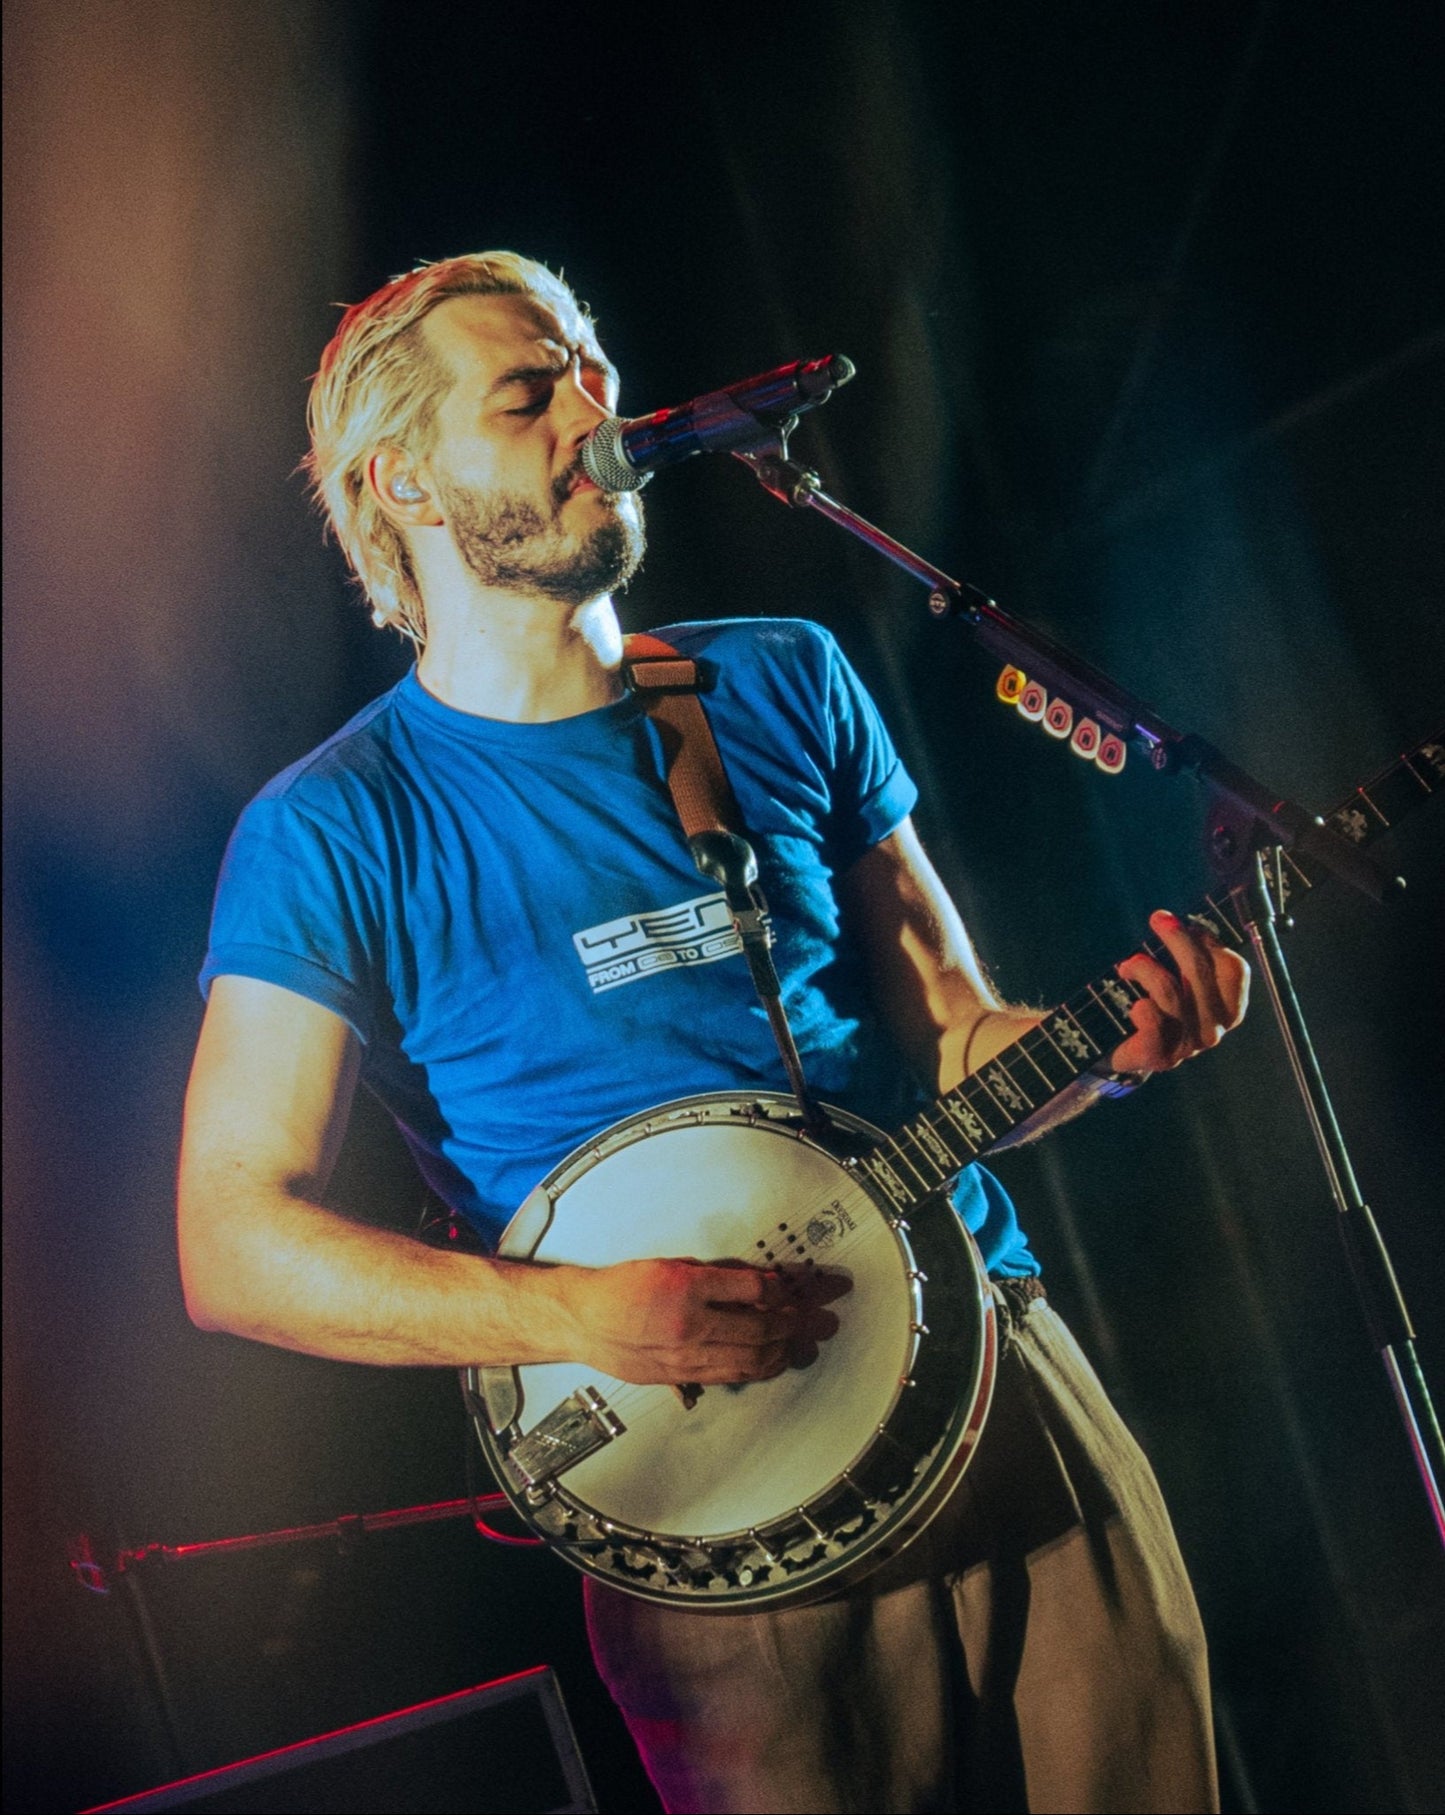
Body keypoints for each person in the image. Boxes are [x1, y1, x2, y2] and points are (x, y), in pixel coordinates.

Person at [178, 251, 1249, 1814]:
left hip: (998, 1369)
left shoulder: (781, 680)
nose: (592, 414)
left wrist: (1109, 1044)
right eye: (530, 392)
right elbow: (233, 1244)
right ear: (398, 476)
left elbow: (956, 1039)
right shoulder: (333, 829)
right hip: (710, 1484)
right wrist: (577, 1319)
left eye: (593, 375)